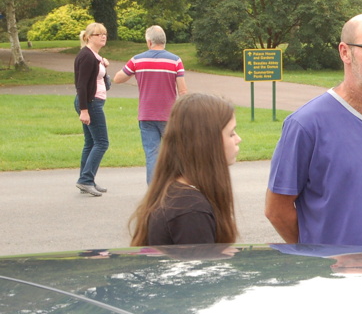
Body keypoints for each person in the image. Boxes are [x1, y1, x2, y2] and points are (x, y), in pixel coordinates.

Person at [265, 14, 362, 247]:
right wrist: (315, 253)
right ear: (345, 52)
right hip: (329, 268)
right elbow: (276, 210)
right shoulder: (305, 124)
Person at [129, 93, 242, 246]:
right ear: (207, 141)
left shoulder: (177, 193)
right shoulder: (190, 211)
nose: (238, 139)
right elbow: (202, 261)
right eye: (231, 133)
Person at [112, 25, 188, 183]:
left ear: (149, 42)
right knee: (175, 153)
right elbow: (182, 90)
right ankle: (175, 186)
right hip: (169, 115)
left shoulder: (137, 60)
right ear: (164, 41)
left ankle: (153, 191)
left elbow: (118, 79)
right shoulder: (175, 60)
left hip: (146, 114)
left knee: (152, 154)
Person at [74, 23, 112, 196]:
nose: (103, 37)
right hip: (90, 103)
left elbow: (96, 79)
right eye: (98, 34)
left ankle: (86, 179)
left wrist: (103, 65)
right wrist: (84, 110)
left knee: (90, 143)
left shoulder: (94, 56)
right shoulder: (87, 56)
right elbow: (81, 85)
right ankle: (86, 180)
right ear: (89, 37)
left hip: (93, 102)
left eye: (104, 34)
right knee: (102, 142)